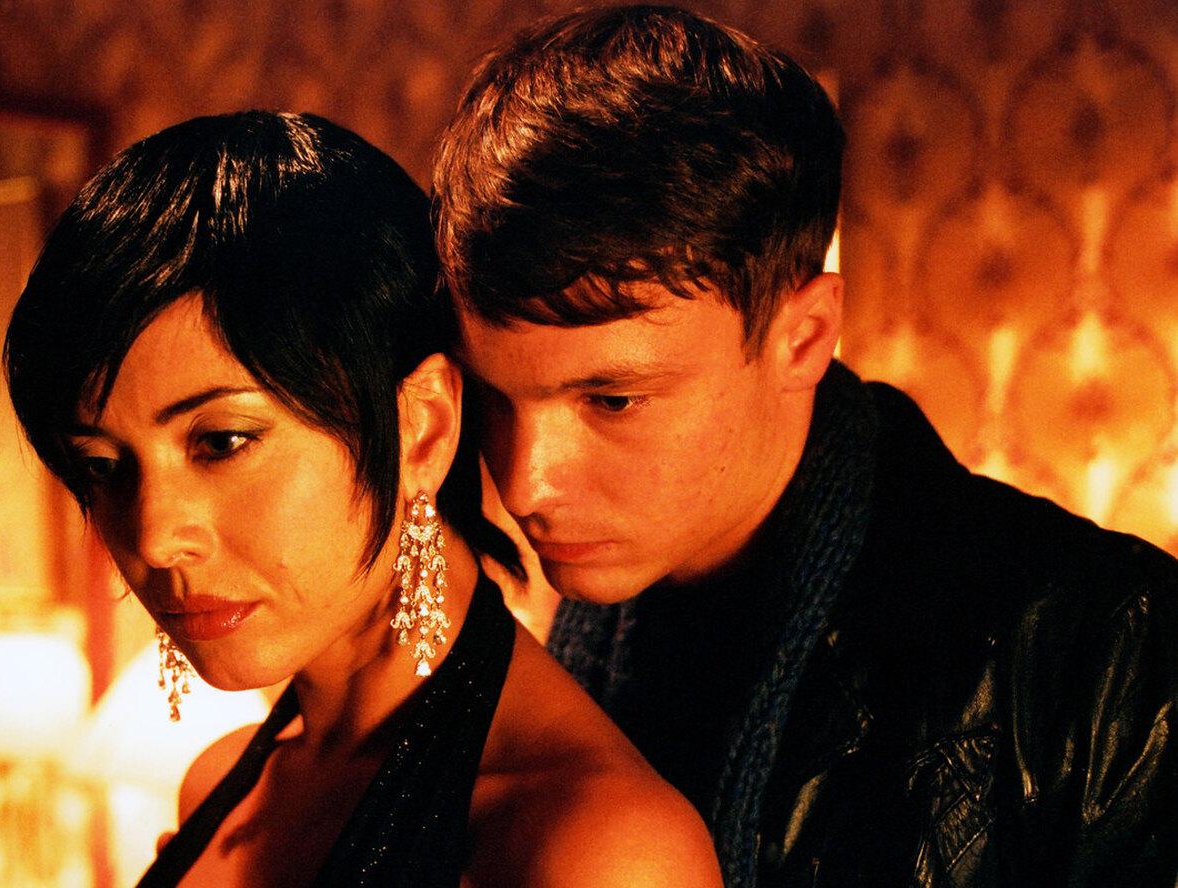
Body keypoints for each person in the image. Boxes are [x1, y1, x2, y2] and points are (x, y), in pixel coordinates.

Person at [431, 6, 1178, 887]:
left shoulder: (1109, 654)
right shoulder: (548, 673)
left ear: (805, 337)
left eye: (613, 399)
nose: (524, 485)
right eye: (493, 397)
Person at [3, 110, 721, 887]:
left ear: (421, 428)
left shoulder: (596, 849)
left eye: (222, 442)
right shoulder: (219, 785)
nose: (152, 537)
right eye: (104, 467)